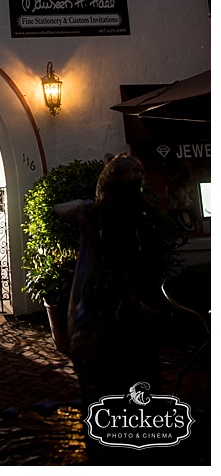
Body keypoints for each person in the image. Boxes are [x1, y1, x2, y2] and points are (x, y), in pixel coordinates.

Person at [56, 155, 168, 435]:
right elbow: (61, 209)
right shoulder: (100, 216)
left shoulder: (121, 219)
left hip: (110, 309)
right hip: (96, 307)